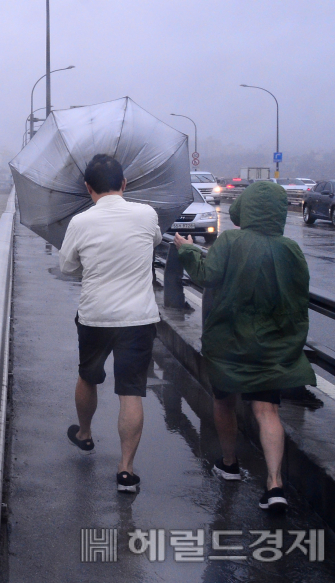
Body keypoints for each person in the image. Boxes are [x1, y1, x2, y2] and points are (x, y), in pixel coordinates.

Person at [173, 180, 314, 512]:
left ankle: (230, 463)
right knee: (267, 411)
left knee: (224, 403)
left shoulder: (231, 241)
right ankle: (275, 484)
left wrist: (186, 249)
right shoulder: (290, 249)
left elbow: (208, 274)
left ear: (246, 209)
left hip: (230, 344)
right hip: (272, 347)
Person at [59, 154, 162, 493]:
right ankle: (126, 470)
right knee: (131, 391)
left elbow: (67, 268)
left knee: (88, 377)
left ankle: (85, 434)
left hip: (95, 317)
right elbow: (156, 241)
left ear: (88, 188)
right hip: (138, 318)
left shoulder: (80, 223)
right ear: (124, 184)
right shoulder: (147, 214)